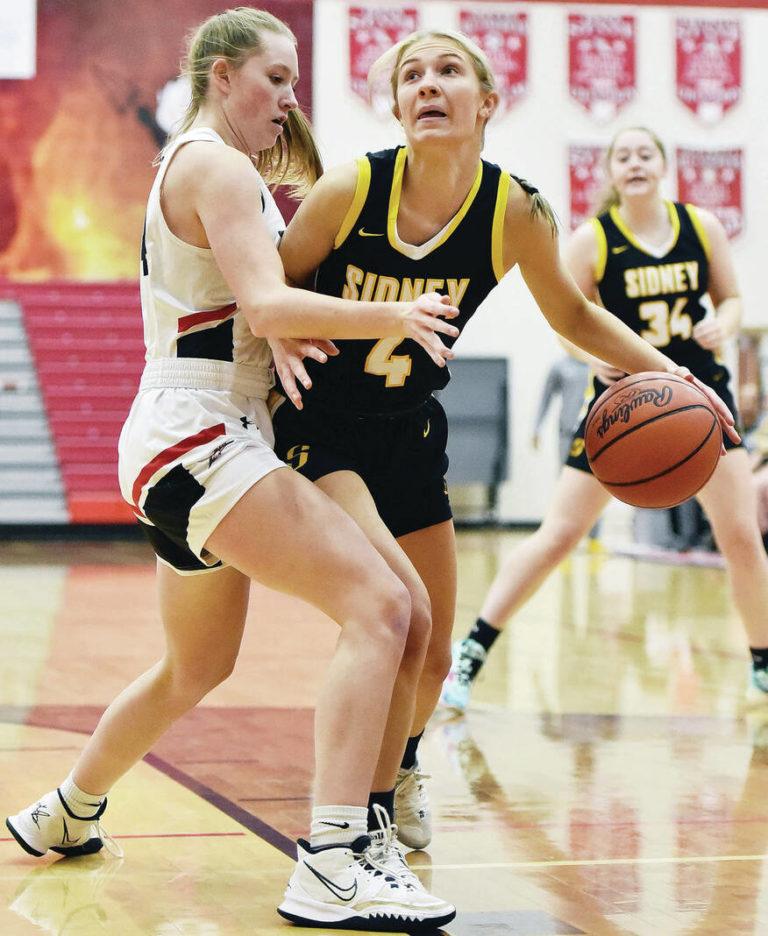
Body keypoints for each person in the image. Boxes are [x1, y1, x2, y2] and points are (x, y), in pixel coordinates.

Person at [4, 9, 461, 932]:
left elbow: (251, 307)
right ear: (219, 75)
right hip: (199, 431)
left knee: (195, 664)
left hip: (190, 434)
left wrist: (284, 329)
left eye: (295, 82)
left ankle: (68, 808)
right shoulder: (213, 163)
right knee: (382, 609)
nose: (290, 101)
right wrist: (397, 313)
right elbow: (261, 295)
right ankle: (333, 857)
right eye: (276, 79)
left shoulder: (216, 168)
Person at [267, 45, 738, 855]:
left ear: (487, 101)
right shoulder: (352, 189)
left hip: (412, 429)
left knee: (436, 648)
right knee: (399, 613)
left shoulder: (515, 211)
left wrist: (676, 378)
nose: (426, 86)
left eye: (447, 72)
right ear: (396, 107)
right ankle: (359, 827)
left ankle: (404, 769)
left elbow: (577, 318)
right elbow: (268, 287)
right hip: (323, 429)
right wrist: (277, 334)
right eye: (410, 76)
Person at [441, 126, 768, 715]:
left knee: (742, 537)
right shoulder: (593, 241)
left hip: (699, 398)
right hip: (624, 408)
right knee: (560, 534)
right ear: (611, 173)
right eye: (623, 155)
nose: (635, 162)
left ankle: (764, 665)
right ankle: (472, 651)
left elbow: (733, 299)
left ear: (662, 165)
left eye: (646, 153)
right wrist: (592, 356)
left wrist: (727, 321)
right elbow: (566, 321)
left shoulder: (702, 228)